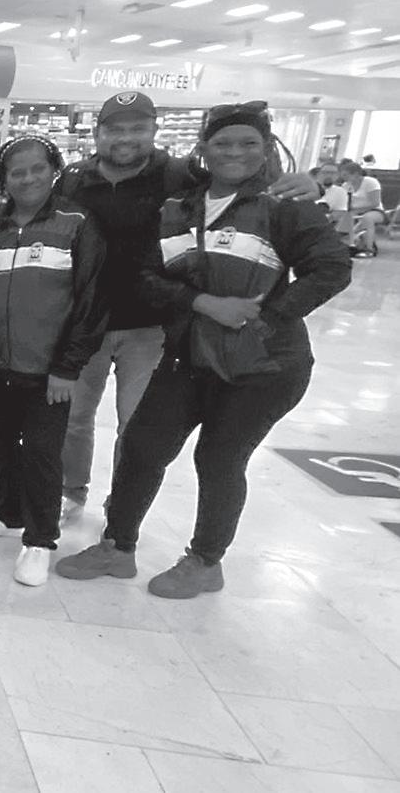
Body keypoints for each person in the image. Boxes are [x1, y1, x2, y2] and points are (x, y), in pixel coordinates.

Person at [56, 104, 351, 598]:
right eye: (223, 143)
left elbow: (332, 267)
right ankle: (117, 546)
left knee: (219, 459)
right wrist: (203, 303)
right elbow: (148, 274)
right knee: (143, 446)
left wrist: (267, 318)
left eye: (248, 143)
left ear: (266, 148)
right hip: (188, 353)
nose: (235, 152)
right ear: (204, 150)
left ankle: (205, 560)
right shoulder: (181, 204)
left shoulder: (283, 205)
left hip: (262, 365)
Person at [0, 135, 107, 587]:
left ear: (54, 171)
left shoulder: (76, 224)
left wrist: (68, 366)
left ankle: (40, 539)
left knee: (43, 455)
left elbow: (92, 301)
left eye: (37, 169)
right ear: (3, 180)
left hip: (49, 373)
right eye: (17, 172)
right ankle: (7, 513)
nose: (28, 179)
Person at [341, 160, 385, 257]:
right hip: (354, 211)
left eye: (346, 175)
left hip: (374, 210)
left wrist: (355, 209)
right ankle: (349, 245)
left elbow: (375, 203)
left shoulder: (371, 182)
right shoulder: (345, 185)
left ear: (356, 174)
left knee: (367, 218)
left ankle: (369, 249)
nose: (343, 178)